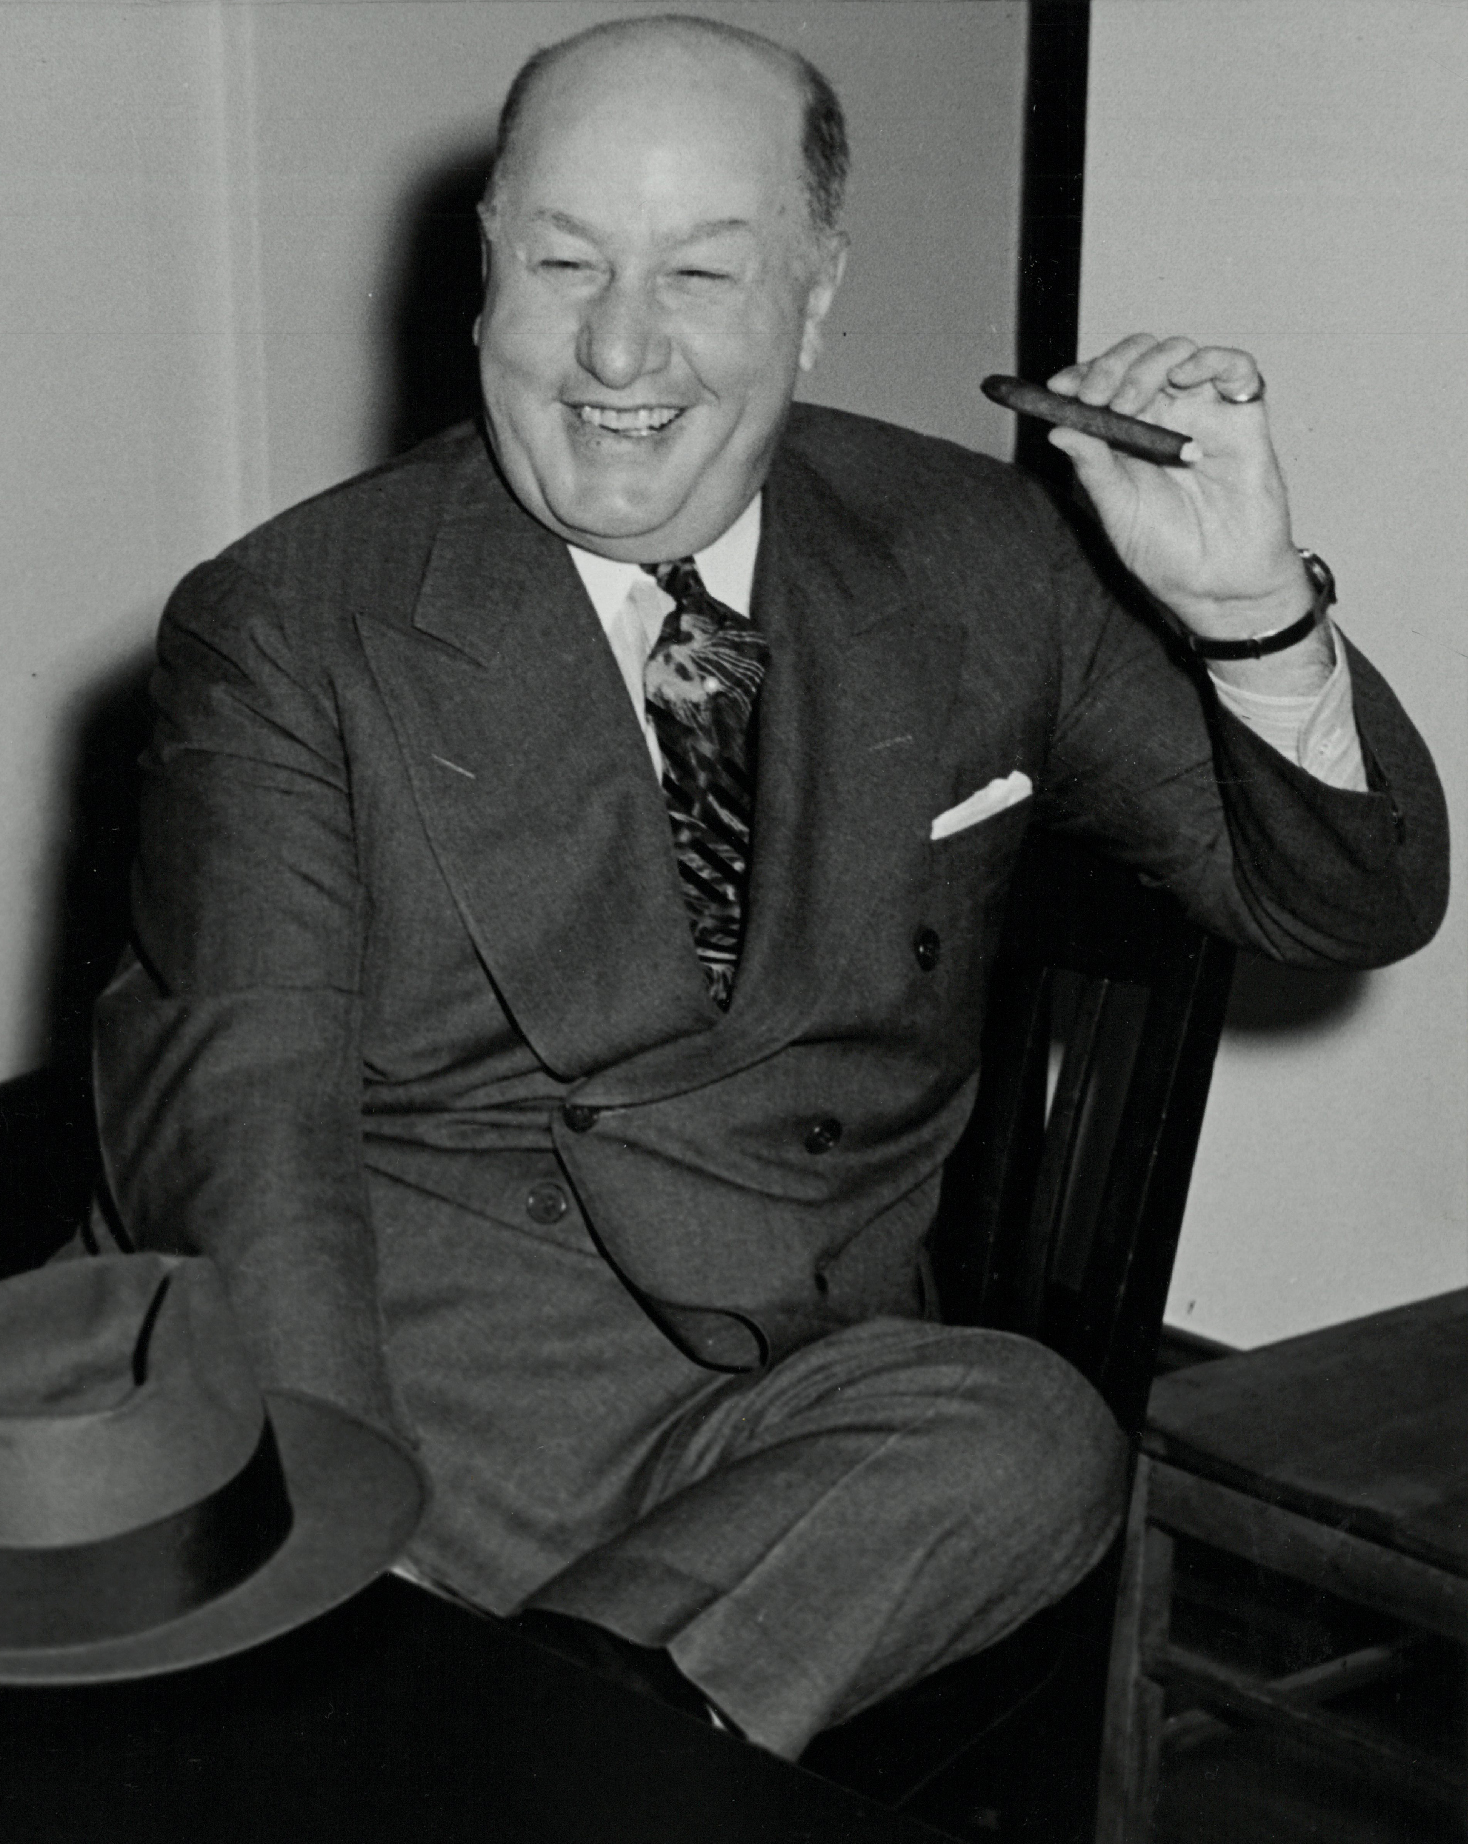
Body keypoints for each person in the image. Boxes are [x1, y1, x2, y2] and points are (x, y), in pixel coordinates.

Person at [93, 14, 1446, 1762]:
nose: (616, 349)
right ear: (486, 273)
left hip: (796, 1420)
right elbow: (245, 1131)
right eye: (562, 261)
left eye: (702, 274)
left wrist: (1251, 606)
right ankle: (514, 1756)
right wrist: (344, 1567)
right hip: (428, 1401)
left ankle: (495, 1759)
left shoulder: (978, 554)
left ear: (813, 301)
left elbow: (1347, 905)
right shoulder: (289, 620)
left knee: (1039, 1435)